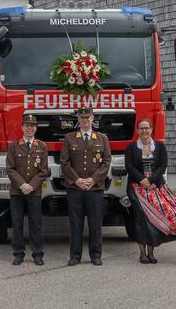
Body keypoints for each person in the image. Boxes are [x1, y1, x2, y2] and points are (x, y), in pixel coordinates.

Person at [125, 119, 176, 264]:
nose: (144, 131)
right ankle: (142, 253)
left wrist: (151, 181)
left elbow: (163, 165)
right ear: (137, 131)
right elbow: (129, 167)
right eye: (141, 128)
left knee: (159, 218)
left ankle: (151, 252)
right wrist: (142, 181)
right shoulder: (131, 147)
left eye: (147, 128)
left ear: (151, 130)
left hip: (156, 186)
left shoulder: (159, 146)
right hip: (136, 188)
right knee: (141, 220)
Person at [60, 107, 111, 266]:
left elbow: (106, 162)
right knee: (75, 223)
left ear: (92, 119)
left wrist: (93, 180)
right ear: (78, 120)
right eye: (82, 118)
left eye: (88, 118)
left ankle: (96, 255)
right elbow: (64, 162)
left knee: (95, 223)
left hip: (94, 188)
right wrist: (77, 180)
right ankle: (75, 256)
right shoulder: (69, 138)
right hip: (75, 188)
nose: (85, 121)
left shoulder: (102, 138)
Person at [6, 113, 49, 266]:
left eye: (32, 126)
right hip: (17, 191)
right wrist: (22, 185)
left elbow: (44, 170)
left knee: (35, 223)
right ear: (22, 127)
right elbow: (10, 168)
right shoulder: (14, 146)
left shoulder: (42, 146)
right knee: (17, 223)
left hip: (34, 191)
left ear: (36, 128)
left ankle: (37, 254)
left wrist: (31, 185)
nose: (30, 128)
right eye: (27, 126)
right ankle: (18, 254)